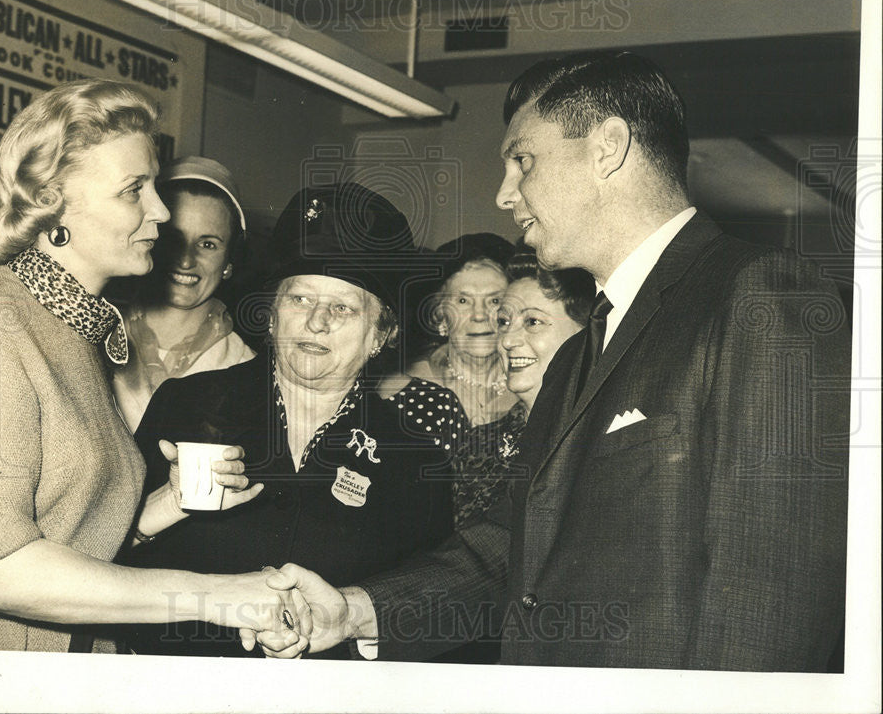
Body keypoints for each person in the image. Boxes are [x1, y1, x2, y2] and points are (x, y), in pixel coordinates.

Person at [254, 51, 850, 672]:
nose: (505, 194)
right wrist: (356, 610)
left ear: (607, 148)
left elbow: (772, 588)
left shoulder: (762, 295)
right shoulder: (580, 353)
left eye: (522, 161)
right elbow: (509, 545)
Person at [0, 78, 302, 652]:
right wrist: (216, 596)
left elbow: (59, 537)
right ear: (52, 200)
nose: (161, 211)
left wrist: (161, 506)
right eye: (134, 190)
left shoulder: (73, 331)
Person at [120, 182, 464, 658]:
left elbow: (425, 605)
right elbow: (97, 557)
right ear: (271, 315)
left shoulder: (412, 456)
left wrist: (350, 631)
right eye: (299, 299)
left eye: (343, 307)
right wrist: (161, 505)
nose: (316, 322)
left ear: (381, 334)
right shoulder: (187, 406)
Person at [452, 249, 595, 528]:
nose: (507, 340)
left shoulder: (594, 441)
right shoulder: (477, 443)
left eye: (532, 322)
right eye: (504, 322)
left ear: (585, 333)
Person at [112, 155, 254, 430]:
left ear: (230, 261)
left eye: (208, 244)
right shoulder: (97, 339)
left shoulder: (245, 369)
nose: (186, 260)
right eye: (173, 239)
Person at [402, 233, 517, 427]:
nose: (479, 315)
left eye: (494, 301)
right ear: (440, 315)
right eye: (463, 301)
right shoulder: (406, 388)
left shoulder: (537, 383)